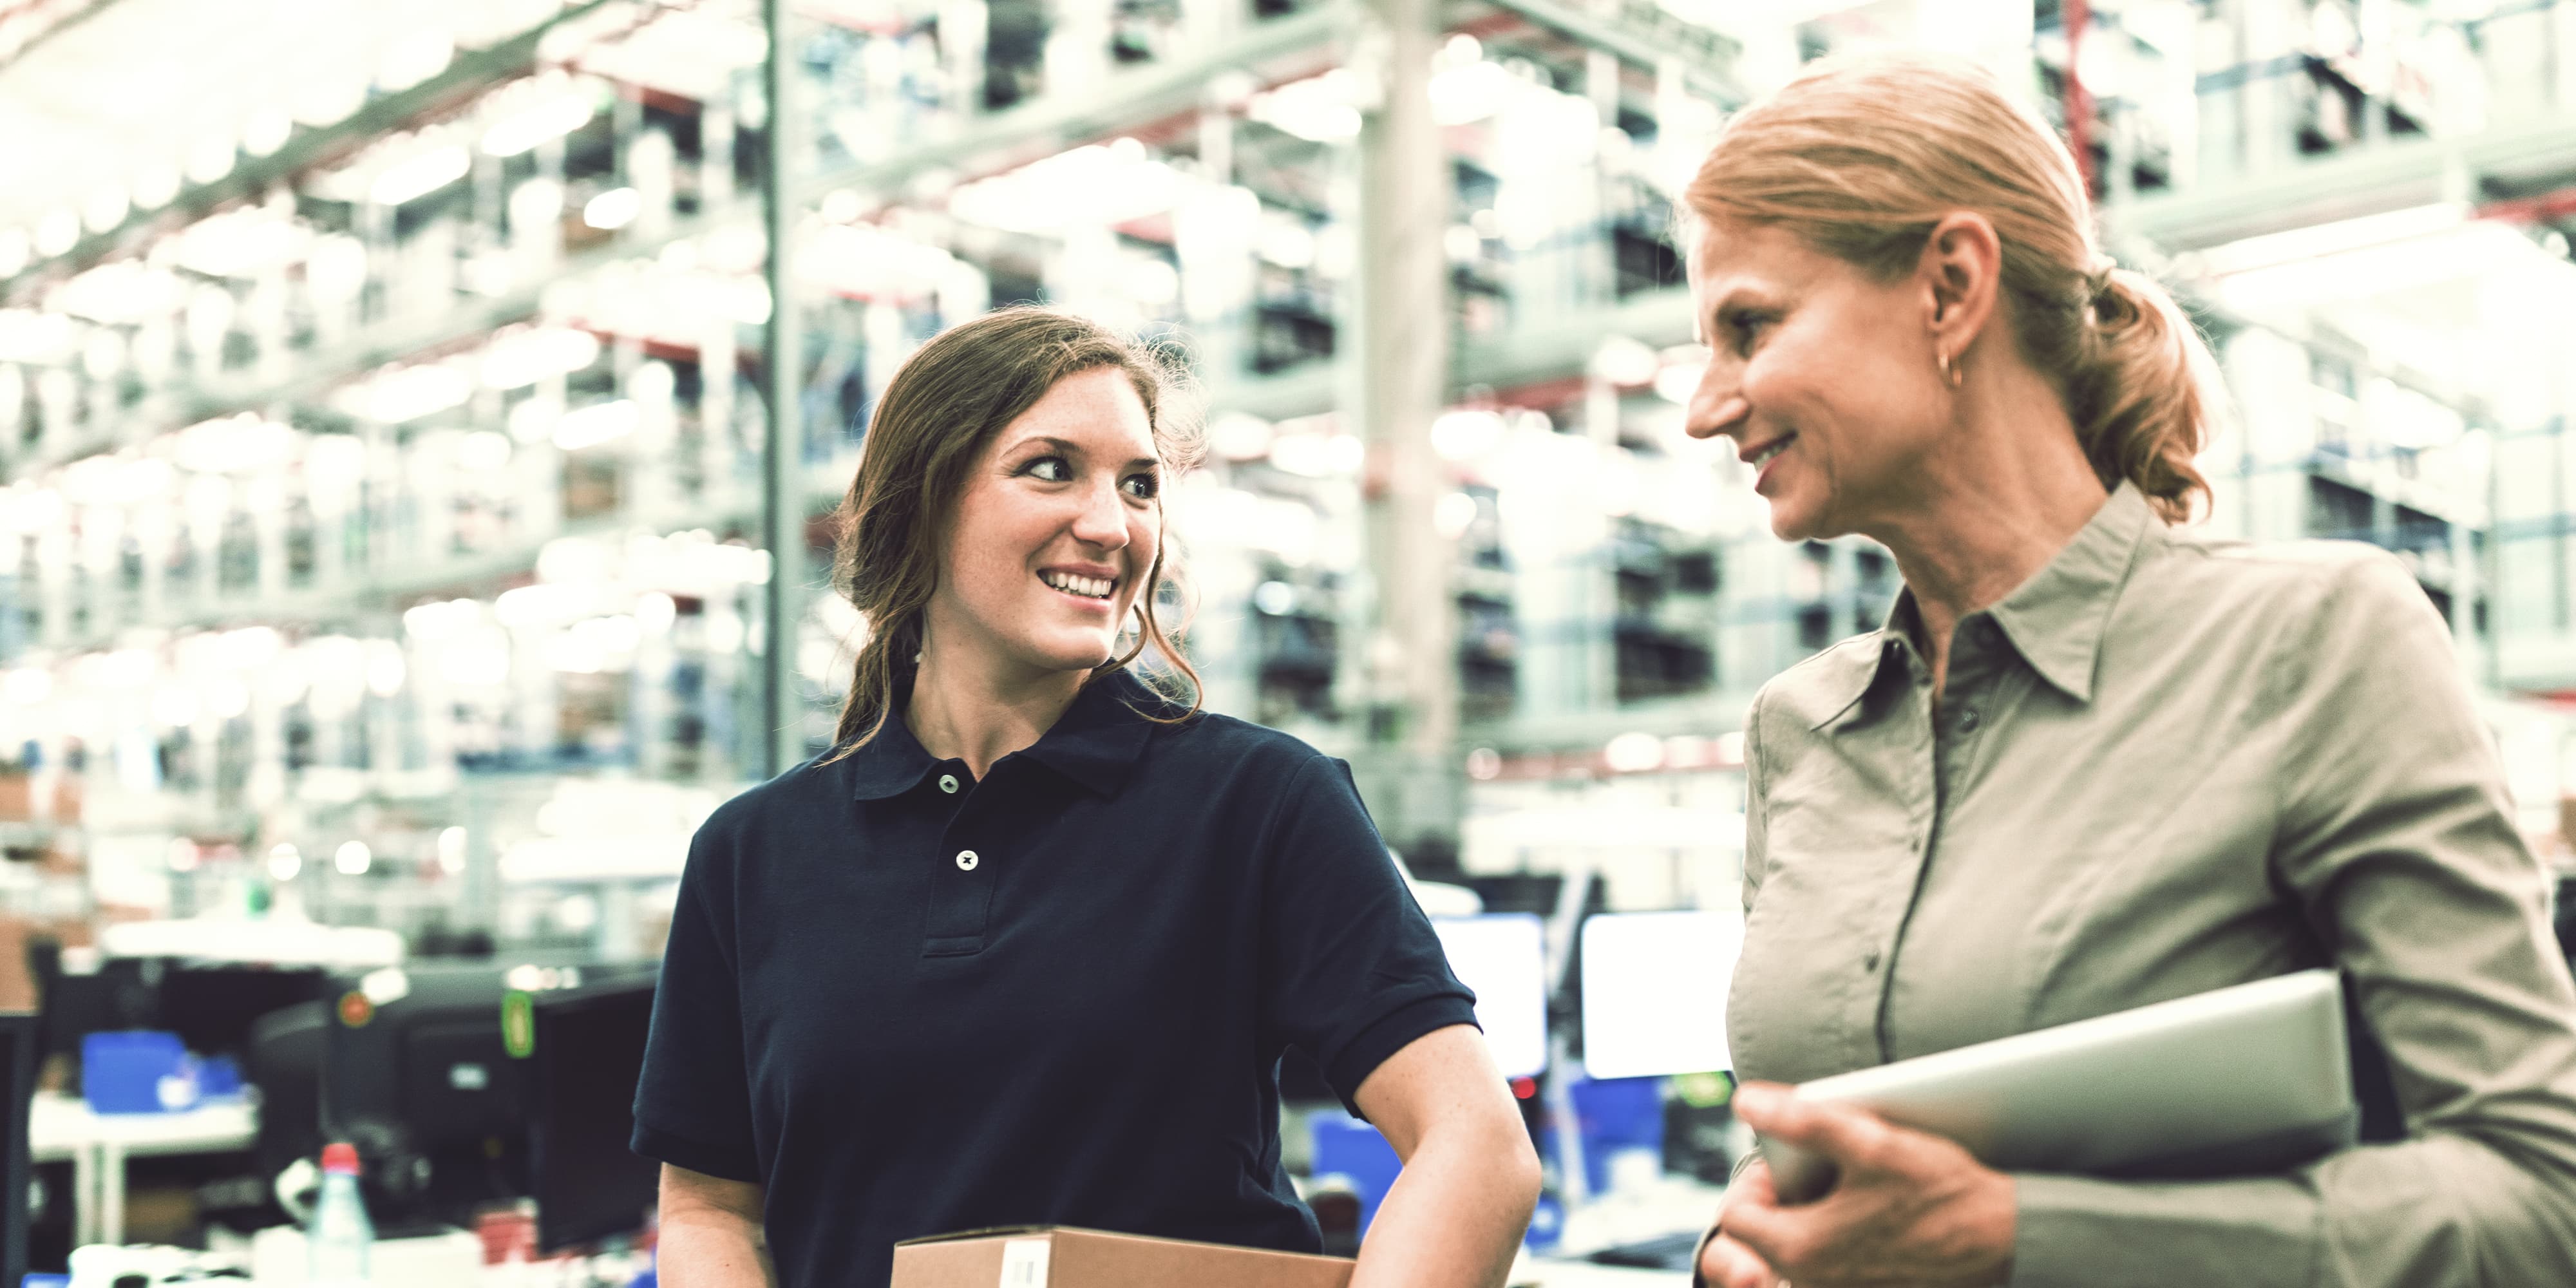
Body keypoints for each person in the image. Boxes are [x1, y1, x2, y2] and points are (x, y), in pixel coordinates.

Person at [1676, 53, 2576, 1288]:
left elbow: (2537, 1197)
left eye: (1749, 327)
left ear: (1950, 286)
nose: (1705, 406)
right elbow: (1799, 1149)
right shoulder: (1804, 728)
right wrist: (1745, 1242)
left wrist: (2019, 1239)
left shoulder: (2312, 646)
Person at [633, 307, 1539, 1288]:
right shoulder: (752, 853)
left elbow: (1477, 1147)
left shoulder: (1259, 804)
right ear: (921, 500)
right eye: (1052, 468)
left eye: (1139, 485)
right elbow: (709, 1208)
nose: (1111, 526)